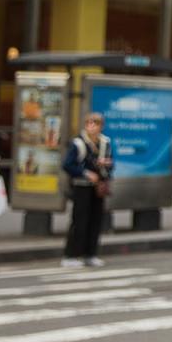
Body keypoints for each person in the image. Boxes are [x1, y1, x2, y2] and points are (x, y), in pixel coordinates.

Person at [61, 112, 113, 269]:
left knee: (96, 220)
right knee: (79, 221)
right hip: (81, 186)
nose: (93, 127)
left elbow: (112, 163)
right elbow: (67, 165)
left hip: (98, 188)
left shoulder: (105, 142)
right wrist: (85, 173)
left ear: (101, 126)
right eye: (90, 123)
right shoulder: (78, 143)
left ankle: (90, 254)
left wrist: (107, 165)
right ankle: (71, 255)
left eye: (96, 124)